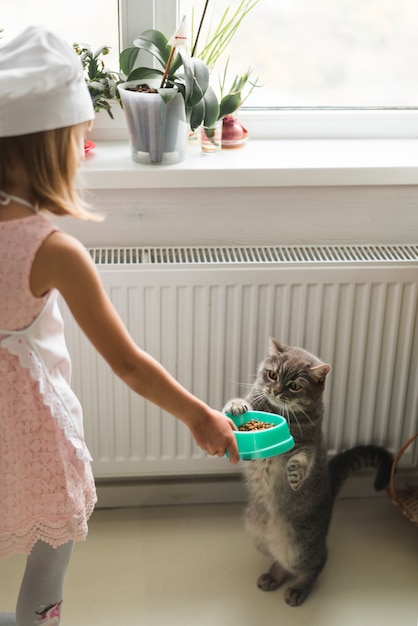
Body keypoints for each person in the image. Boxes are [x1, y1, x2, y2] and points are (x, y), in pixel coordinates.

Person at [0, 25, 239, 626]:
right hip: (30, 441)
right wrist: (199, 415)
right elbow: (129, 364)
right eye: (80, 137)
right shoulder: (51, 250)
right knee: (47, 561)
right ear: (50, 146)